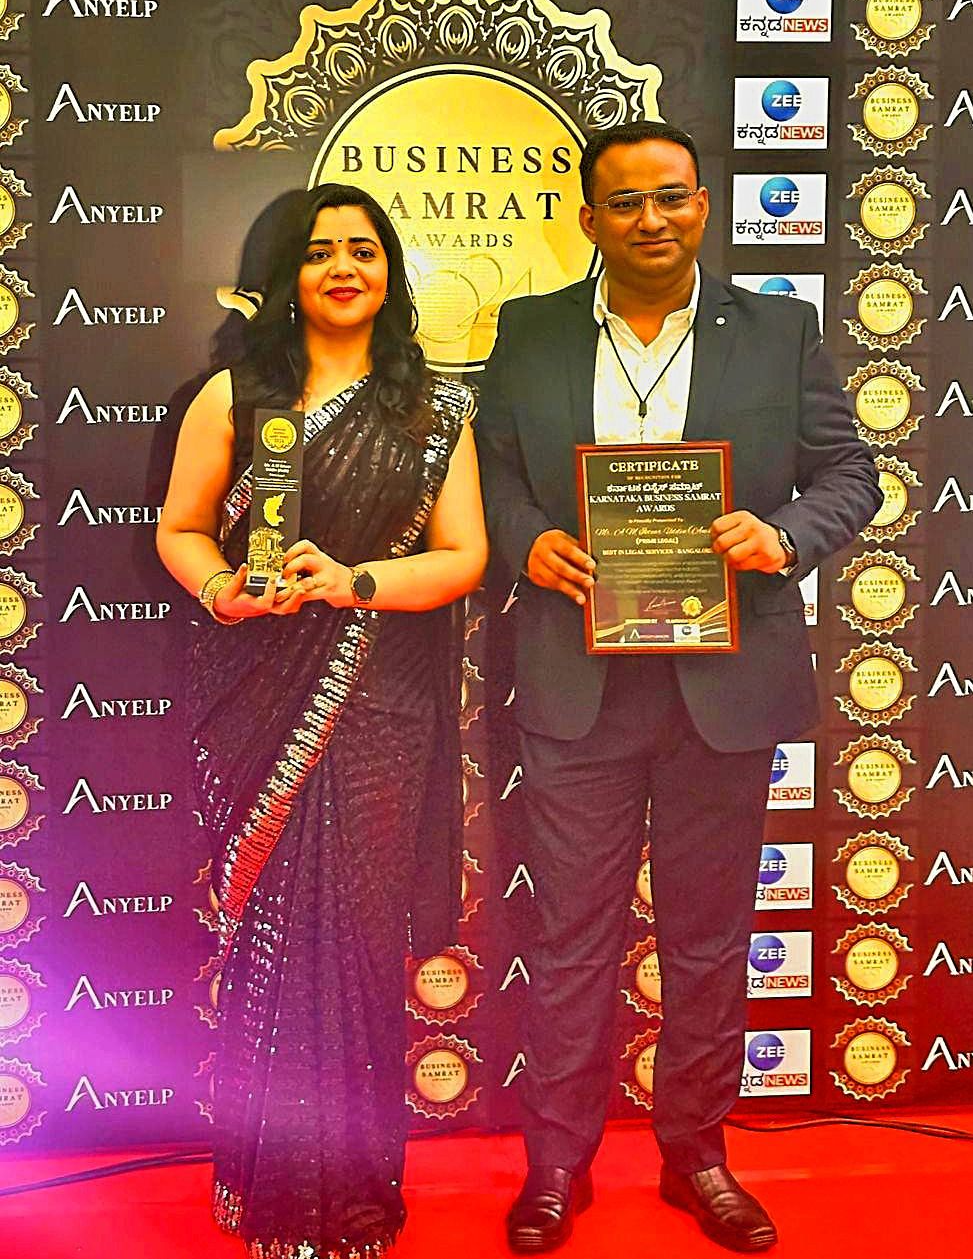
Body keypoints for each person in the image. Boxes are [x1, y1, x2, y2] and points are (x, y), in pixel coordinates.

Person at [476, 122, 882, 1254]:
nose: (650, 218)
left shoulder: (779, 330)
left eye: (671, 196)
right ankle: (556, 1162)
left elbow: (850, 470)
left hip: (725, 686)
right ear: (588, 218)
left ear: (702, 204)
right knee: (571, 937)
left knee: (708, 938)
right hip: (579, 682)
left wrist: (783, 534)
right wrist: (525, 539)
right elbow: (490, 470)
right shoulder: (529, 329)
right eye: (625, 201)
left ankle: (696, 1153)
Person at [157, 183, 487, 1259]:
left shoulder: (434, 410)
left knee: (354, 940)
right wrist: (222, 591)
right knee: (272, 942)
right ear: (284, 275)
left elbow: (464, 556)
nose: (343, 267)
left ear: (389, 272)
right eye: (318, 251)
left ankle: (350, 1197)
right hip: (255, 691)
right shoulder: (234, 396)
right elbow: (181, 527)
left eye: (363, 249)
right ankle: (265, 1187)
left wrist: (356, 581)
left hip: (380, 699)